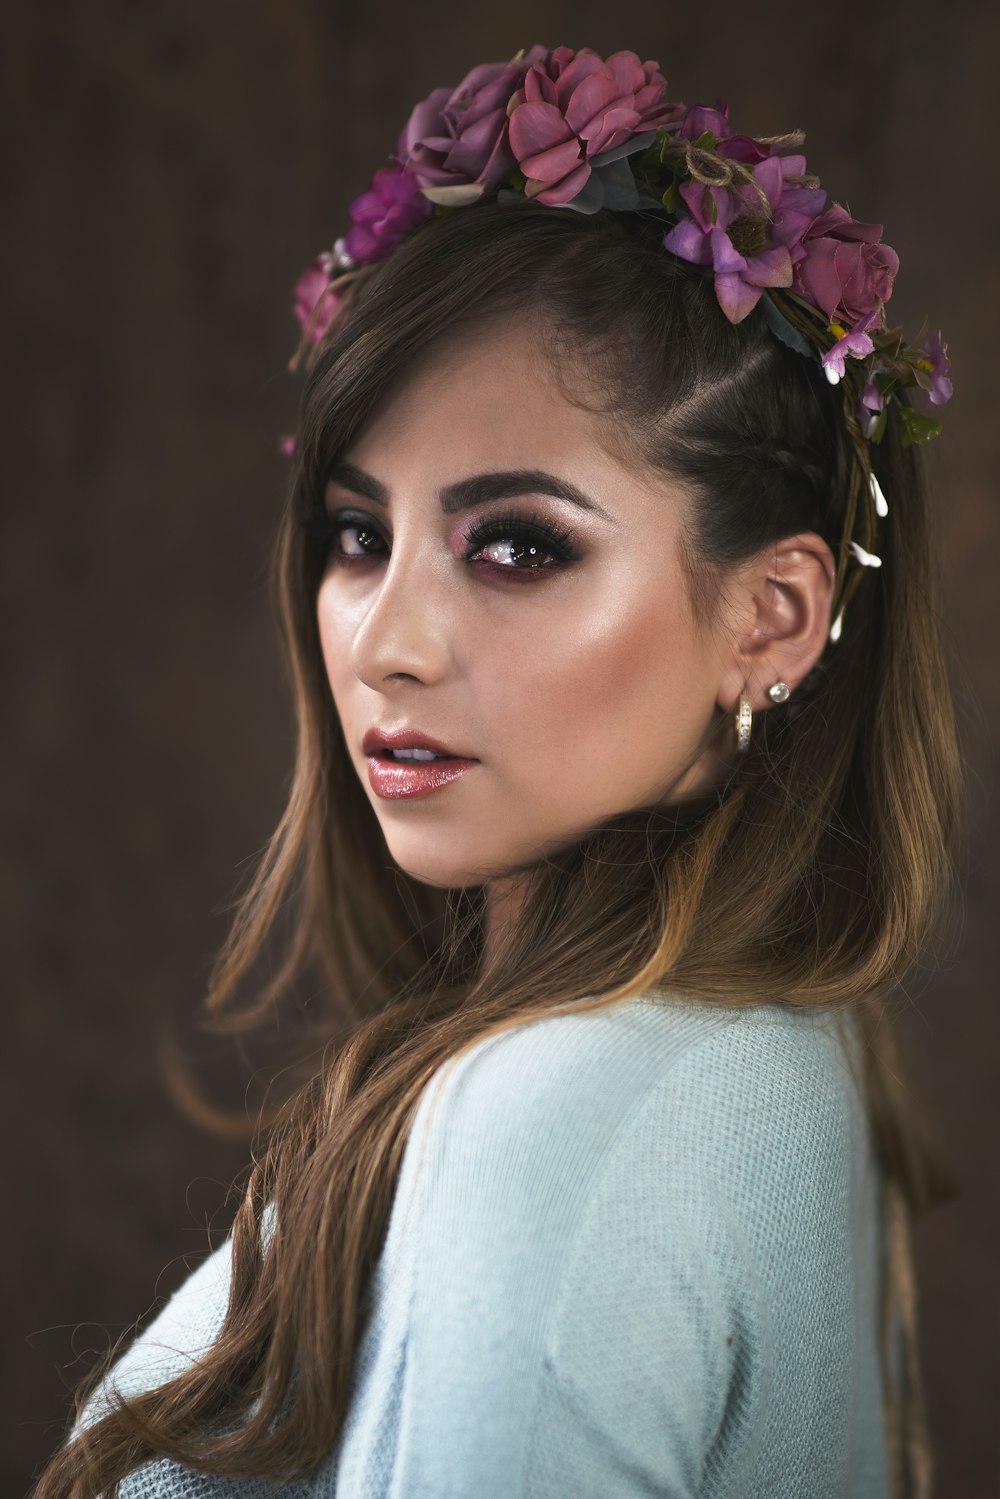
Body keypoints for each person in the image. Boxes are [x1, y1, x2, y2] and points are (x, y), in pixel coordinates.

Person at [35, 43, 960, 1499]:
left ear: (772, 617)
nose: (387, 643)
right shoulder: (780, 1039)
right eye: (358, 535)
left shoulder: (550, 1127)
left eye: (518, 544)